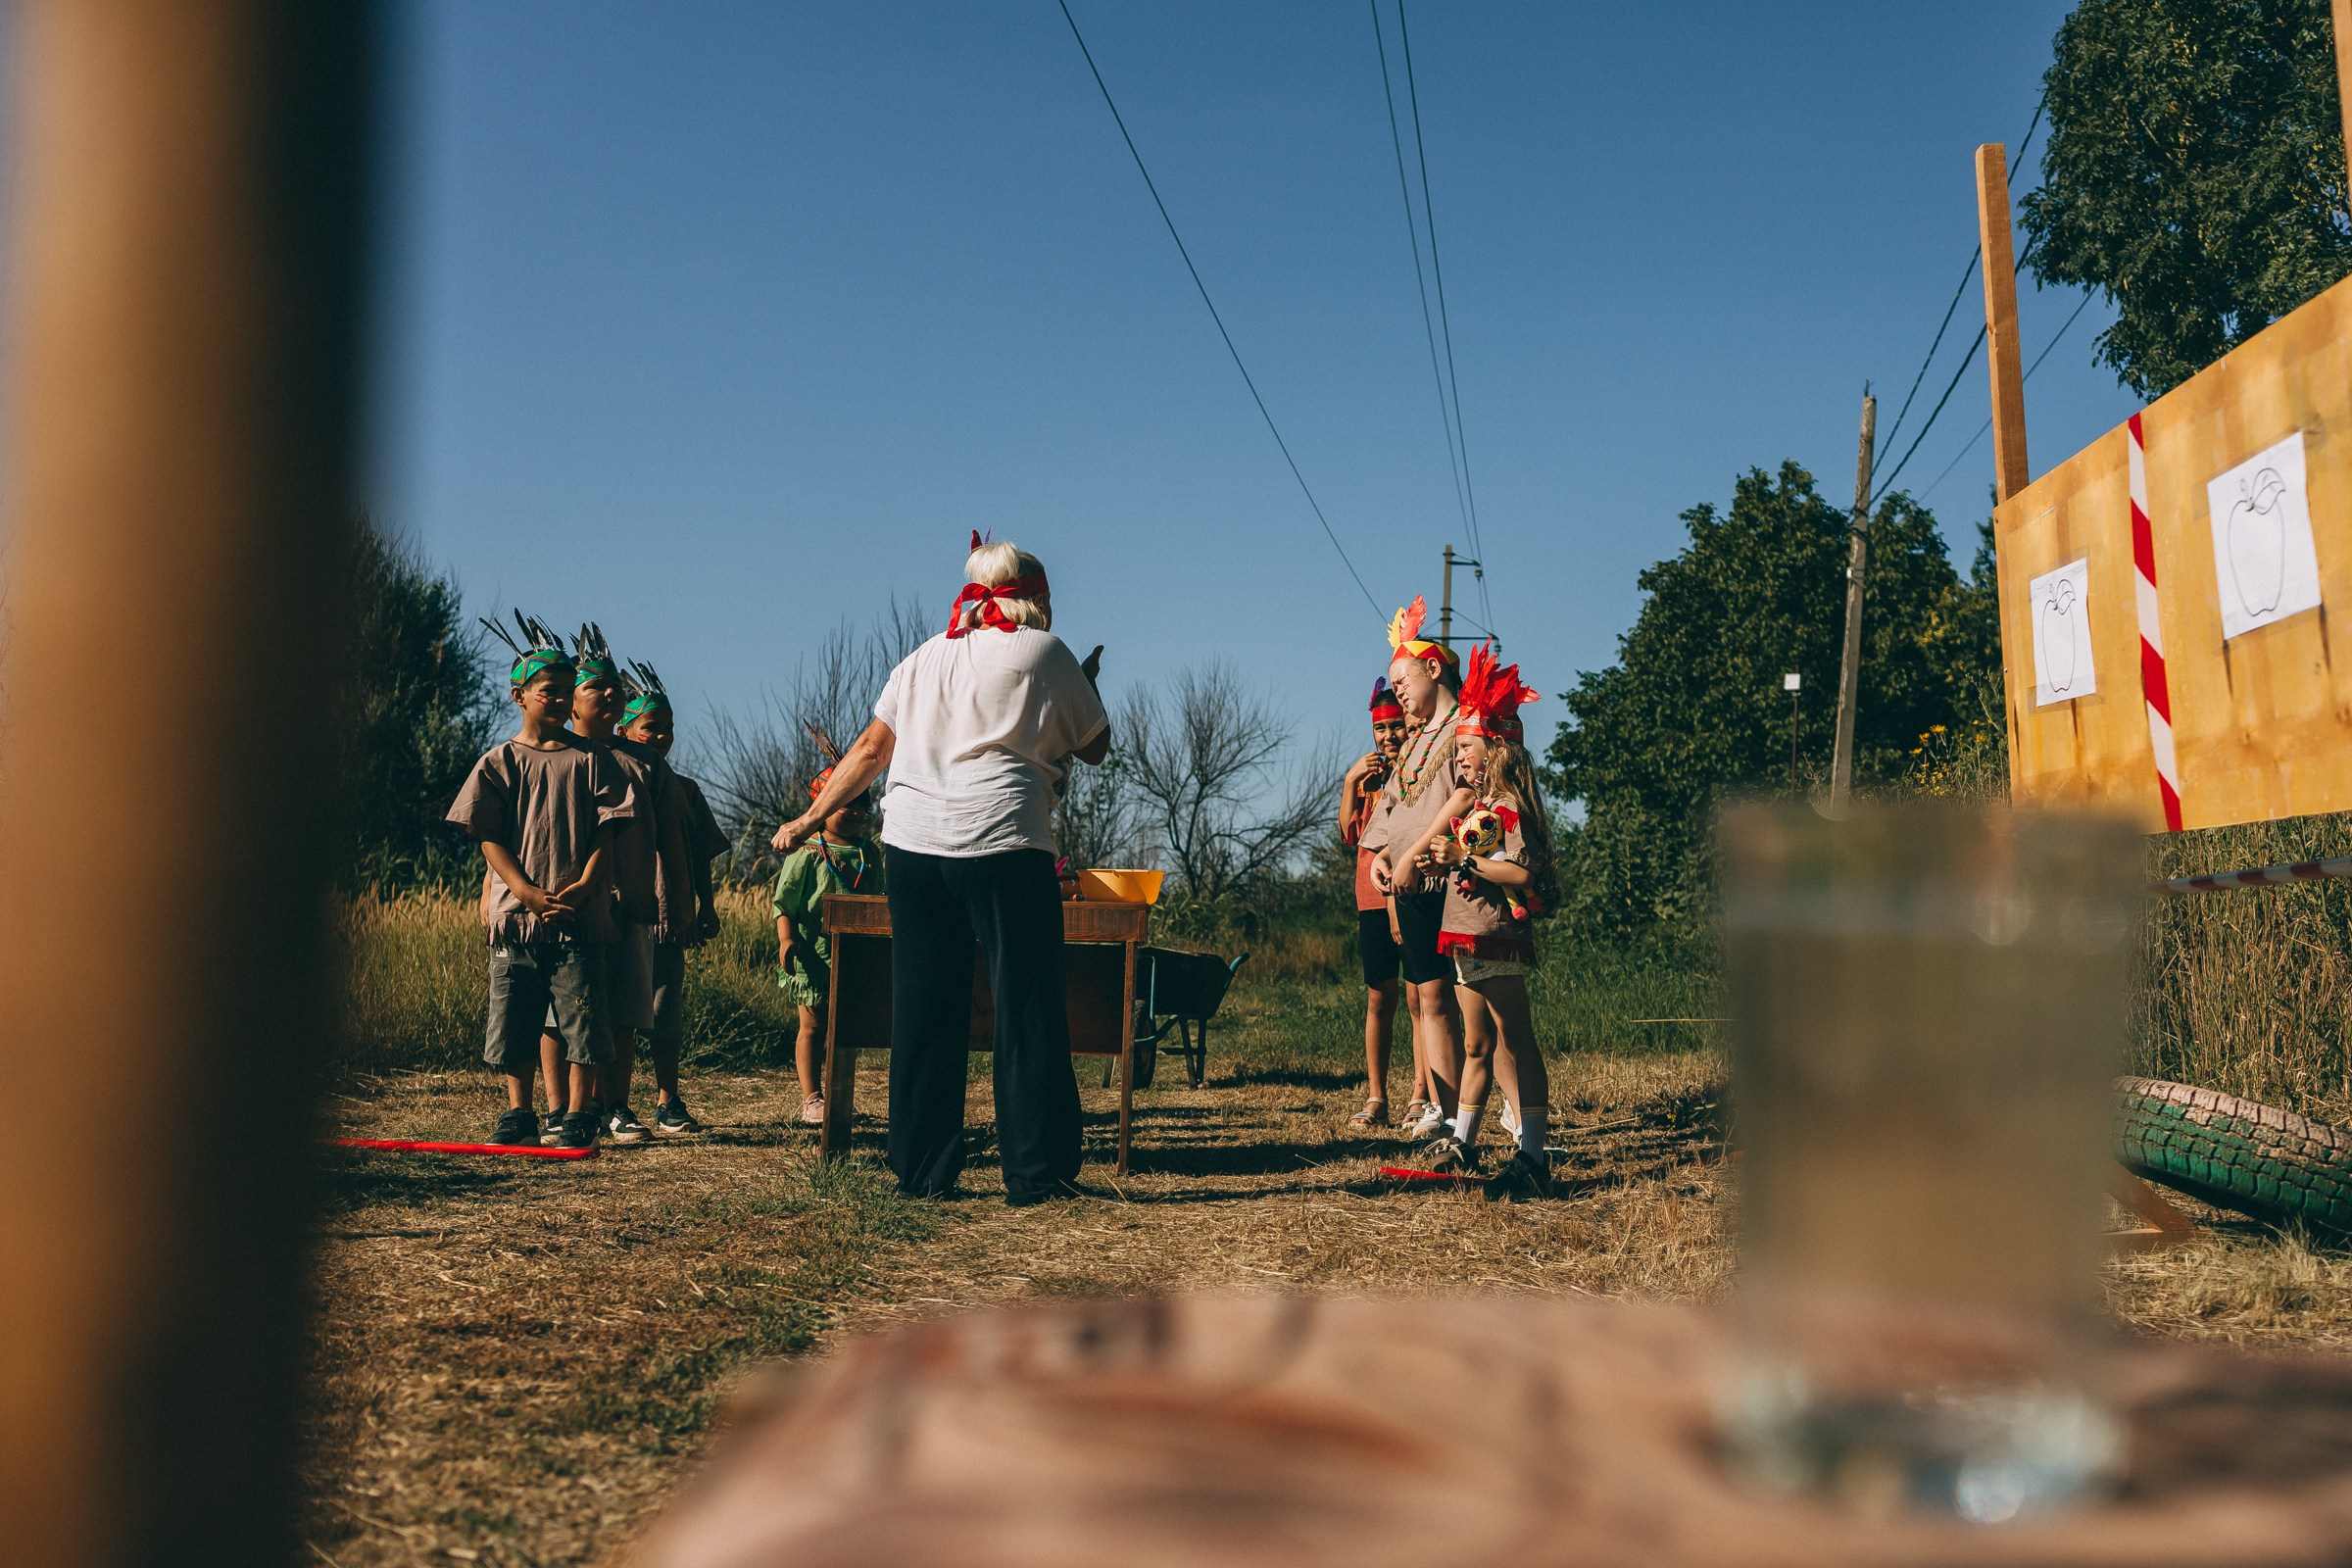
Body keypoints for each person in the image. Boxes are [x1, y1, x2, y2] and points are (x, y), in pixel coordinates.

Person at [772, 534, 1109, 1205]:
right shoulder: (1046, 653)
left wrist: (808, 820)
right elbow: (1096, 746)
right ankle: (1035, 1174)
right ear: (1035, 599)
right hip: (1006, 843)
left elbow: (872, 749)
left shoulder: (924, 657)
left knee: (925, 1008)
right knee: (1026, 1004)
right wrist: (1083, 685)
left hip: (916, 849)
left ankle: (923, 1171)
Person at [448, 615, 636, 1149]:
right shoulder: (499, 762)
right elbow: (489, 837)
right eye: (547, 691)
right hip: (518, 919)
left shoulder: (593, 760)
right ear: (519, 695)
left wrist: (586, 885)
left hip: (578, 916)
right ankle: (518, 1111)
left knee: (582, 1016)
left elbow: (609, 830)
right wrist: (527, 893)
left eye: (564, 692)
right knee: (515, 1018)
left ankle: (578, 1112)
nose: (557, 701)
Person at [1396, 643, 1559, 1199]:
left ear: (1495, 748)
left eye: (1465, 747)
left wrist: (1462, 858)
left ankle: (1533, 1154)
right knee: (1475, 1044)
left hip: (1496, 937)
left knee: (1516, 1041)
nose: (1456, 756)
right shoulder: (1472, 807)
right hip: (1463, 934)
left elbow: (1519, 872)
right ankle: (1462, 1140)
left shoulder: (1507, 808)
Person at [552, 624, 674, 1148]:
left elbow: (670, 843)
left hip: (631, 907)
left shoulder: (645, 766)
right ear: (570, 703)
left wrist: (680, 902)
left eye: (613, 688)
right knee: (561, 1012)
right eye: (594, 687)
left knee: (624, 1007)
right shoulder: (555, 757)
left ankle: (615, 1105)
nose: (608, 694)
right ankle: (561, 1109)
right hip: (567, 905)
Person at [1363, 597, 1467, 1141]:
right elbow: (1389, 813)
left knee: (1470, 999)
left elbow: (1466, 795)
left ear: (1433, 668)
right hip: (1410, 884)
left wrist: (1412, 852)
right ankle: (1447, 1112)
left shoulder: (1464, 727)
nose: (1396, 690)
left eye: (1402, 679)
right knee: (1428, 996)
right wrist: (1383, 855)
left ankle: (1506, 1114)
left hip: (1453, 880)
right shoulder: (1415, 739)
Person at [618, 661, 724, 1135]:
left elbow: (700, 854)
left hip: (669, 916)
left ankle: (667, 1099)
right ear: (624, 728)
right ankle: (611, 1102)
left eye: (668, 728)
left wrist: (706, 905)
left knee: (665, 1010)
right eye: (650, 727)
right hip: (624, 917)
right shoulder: (610, 779)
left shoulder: (686, 790)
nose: (661, 737)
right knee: (618, 1011)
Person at [771, 770, 883, 1124]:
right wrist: (786, 940)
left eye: (860, 805)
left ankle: (837, 1096)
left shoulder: (870, 854)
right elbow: (784, 904)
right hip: (813, 955)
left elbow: (879, 902)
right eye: (843, 804)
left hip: (855, 957)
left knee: (844, 1029)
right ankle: (812, 1098)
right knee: (813, 1025)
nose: (852, 813)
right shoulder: (807, 852)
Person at [1337, 677, 1410, 1128]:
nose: (1388, 737)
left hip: (1411, 892)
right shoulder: (1367, 780)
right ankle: (1377, 1096)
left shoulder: (1418, 771)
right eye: (1380, 730)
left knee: (1423, 997)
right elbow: (1349, 833)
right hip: (1371, 898)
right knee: (1379, 997)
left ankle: (1423, 1095)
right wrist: (1350, 782)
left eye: (1396, 727)